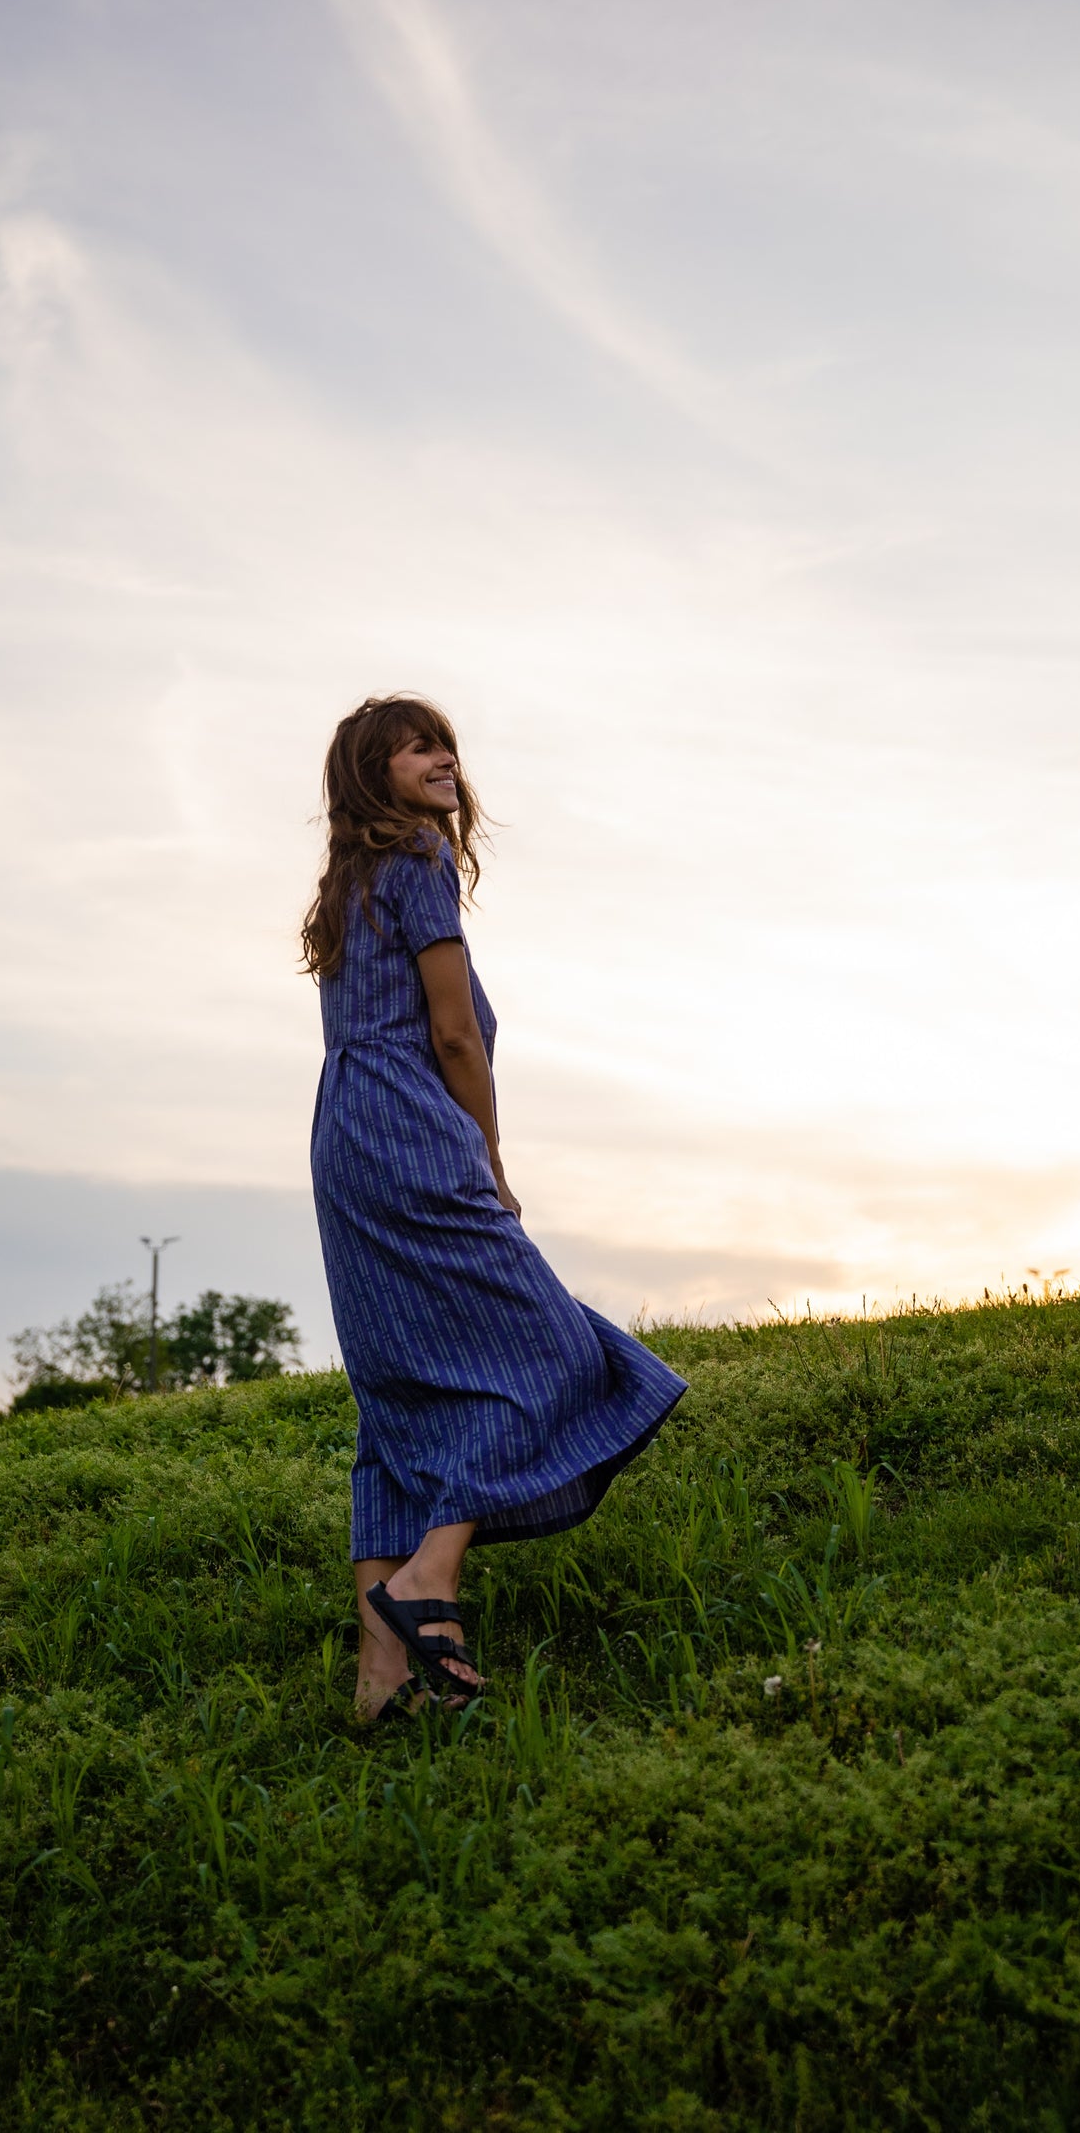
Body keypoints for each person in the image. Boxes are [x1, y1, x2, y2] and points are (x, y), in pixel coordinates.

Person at [304, 696, 687, 1719]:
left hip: (342, 1135)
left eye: (445, 746)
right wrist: (487, 1150)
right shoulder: (420, 859)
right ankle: (430, 1573)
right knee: (553, 1348)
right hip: (414, 1125)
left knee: (393, 1394)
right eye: (416, 746)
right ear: (371, 773)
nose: (441, 758)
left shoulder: (344, 884)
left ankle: (381, 1681)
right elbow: (453, 1037)